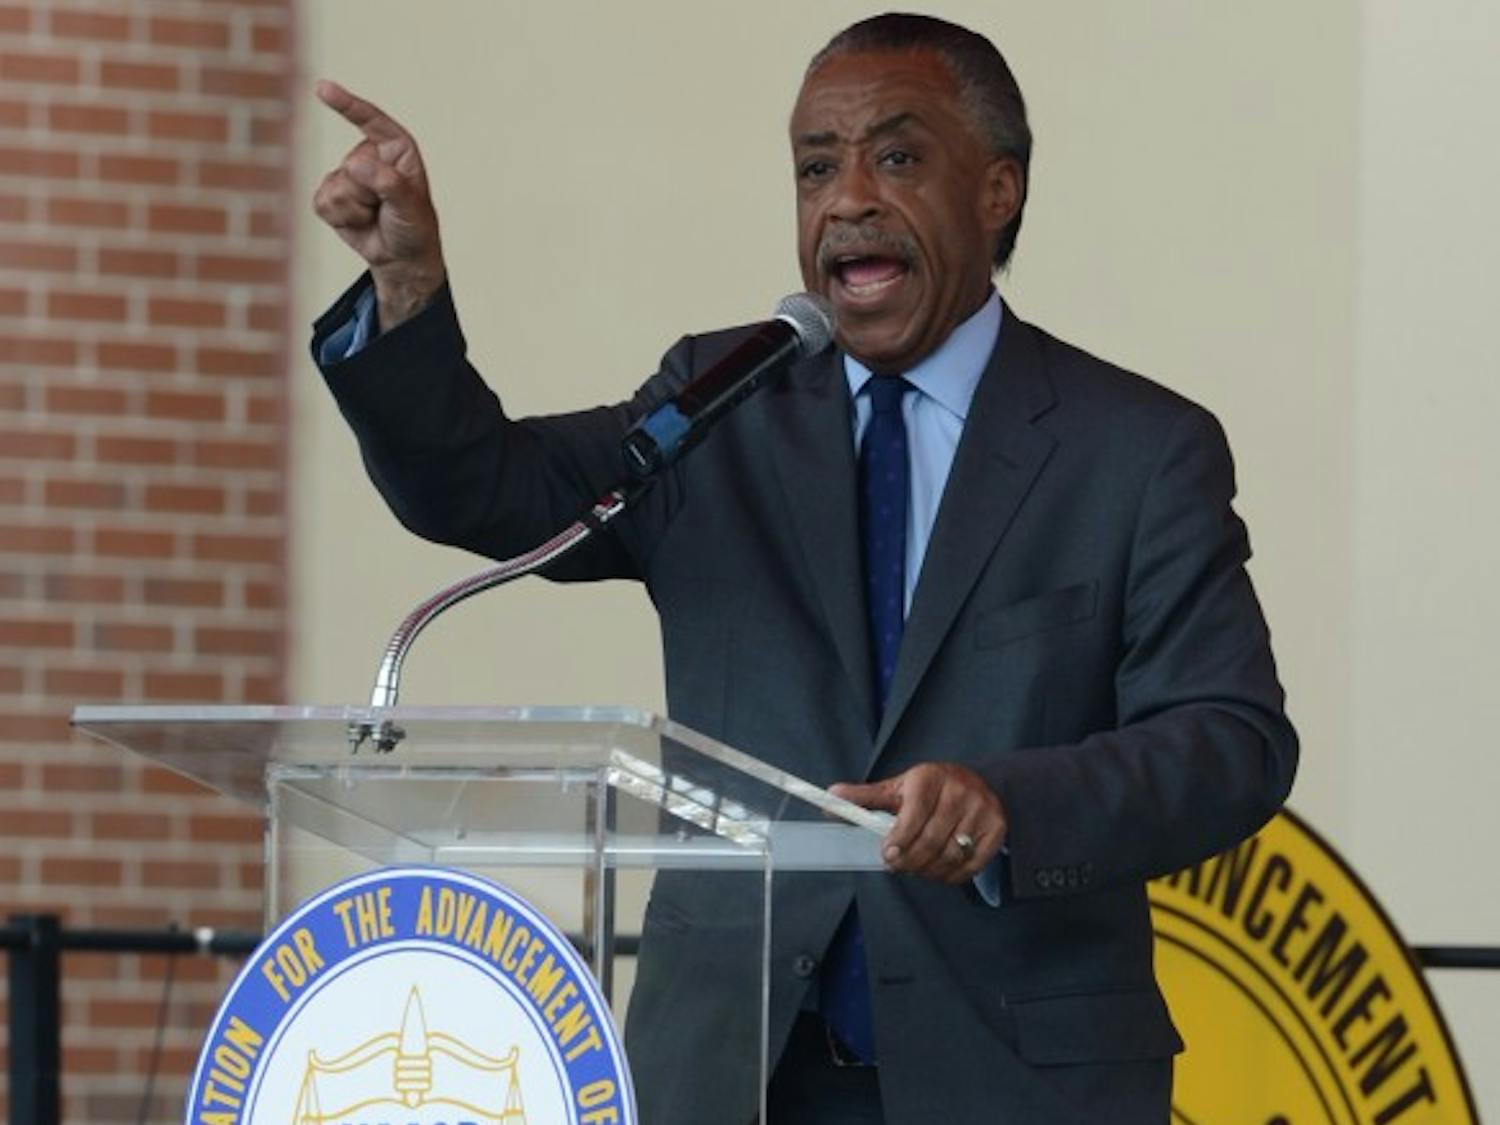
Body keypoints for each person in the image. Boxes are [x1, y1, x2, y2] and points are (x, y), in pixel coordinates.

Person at [310, 13, 1297, 1125]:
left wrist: (1010, 803)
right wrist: (406, 287)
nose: (849, 198)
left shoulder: (1133, 451)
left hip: (1013, 1080)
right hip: (736, 1074)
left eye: (900, 156)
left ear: (998, 191)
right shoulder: (719, 405)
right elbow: (483, 488)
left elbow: (1231, 744)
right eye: (816, 167)